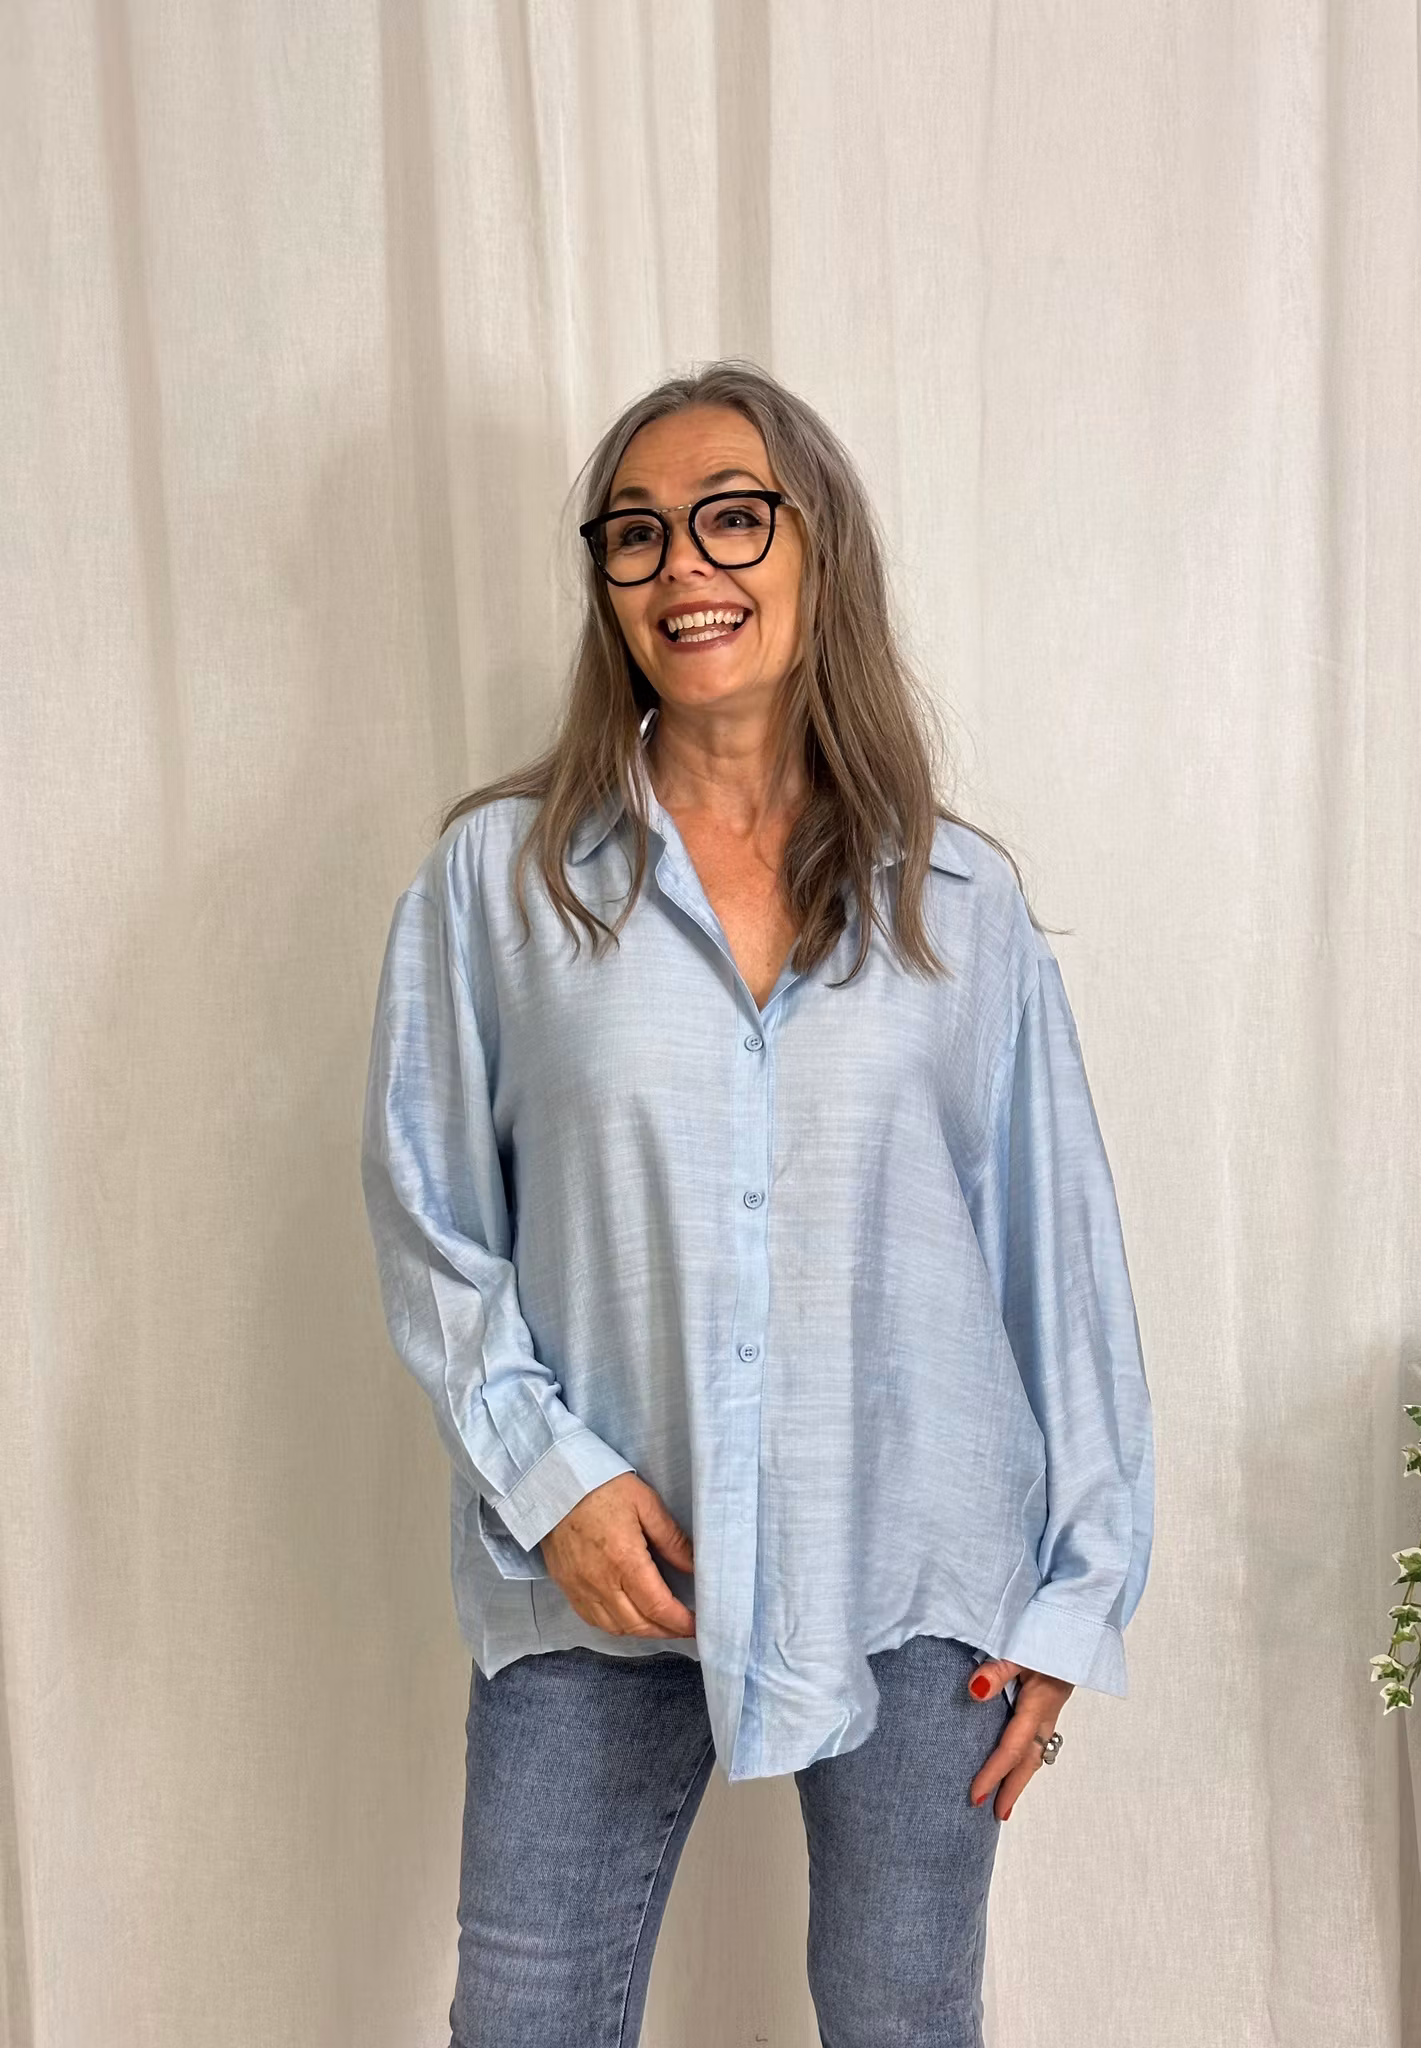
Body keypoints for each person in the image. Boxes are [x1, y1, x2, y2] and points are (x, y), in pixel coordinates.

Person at [359, 358, 1154, 2047]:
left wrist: (1078, 1598)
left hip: (915, 1558)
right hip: (605, 1560)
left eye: (733, 517)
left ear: (816, 548)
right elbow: (431, 1221)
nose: (683, 568)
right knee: (524, 2018)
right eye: (636, 533)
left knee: (901, 2016)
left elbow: (1056, 1268)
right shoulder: (498, 884)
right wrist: (550, 1482)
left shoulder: (958, 899)